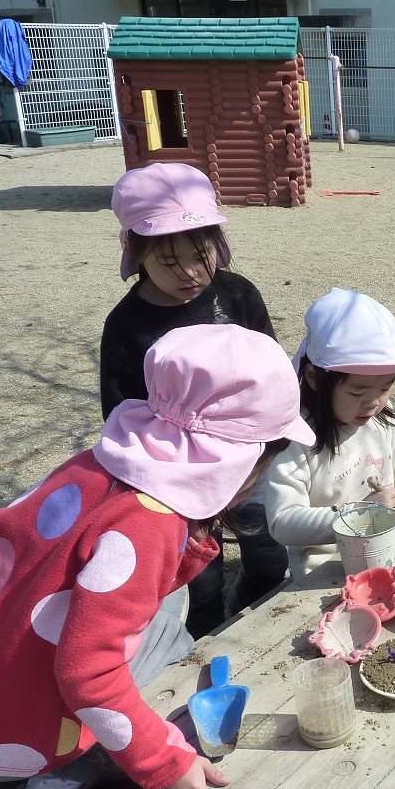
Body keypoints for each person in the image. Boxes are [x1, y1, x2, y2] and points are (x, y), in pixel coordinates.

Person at [0, 324, 316, 789]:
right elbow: (86, 673)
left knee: (161, 610)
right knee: (168, 646)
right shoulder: (150, 526)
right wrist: (164, 764)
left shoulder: (106, 461)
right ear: (236, 460)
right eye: (263, 460)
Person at [101, 162, 285, 637]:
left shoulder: (238, 296)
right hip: (177, 482)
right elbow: (121, 415)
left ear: (217, 245)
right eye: (167, 261)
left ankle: (251, 616)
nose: (189, 273)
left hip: (249, 465)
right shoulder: (127, 327)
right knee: (197, 580)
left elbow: (273, 382)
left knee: (268, 554)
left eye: (201, 255)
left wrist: (261, 464)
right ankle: (204, 635)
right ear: (136, 253)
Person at [264, 288, 395, 580]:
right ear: (313, 377)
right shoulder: (295, 439)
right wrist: (359, 516)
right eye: (357, 390)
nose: (373, 402)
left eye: (385, 387)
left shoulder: (379, 419)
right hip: (325, 574)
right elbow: (282, 522)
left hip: (388, 555)